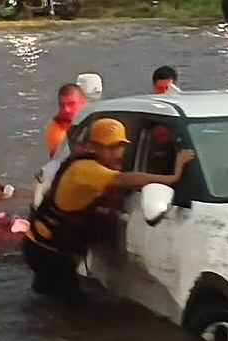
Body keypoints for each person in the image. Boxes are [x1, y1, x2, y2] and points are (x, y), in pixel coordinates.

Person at [23, 117, 195, 304]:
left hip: (43, 246)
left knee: (47, 299)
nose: (118, 153)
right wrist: (174, 176)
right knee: (78, 310)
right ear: (92, 147)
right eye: (110, 148)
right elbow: (127, 179)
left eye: (120, 146)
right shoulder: (87, 170)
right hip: (48, 252)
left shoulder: (90, 166)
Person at [45, 83, 86, 157]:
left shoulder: (94, 118)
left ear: (84, 103)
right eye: (62, 105)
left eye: (71, 104)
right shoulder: (55, 129)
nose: (66, 109)